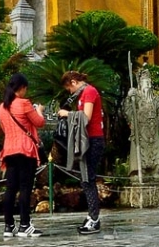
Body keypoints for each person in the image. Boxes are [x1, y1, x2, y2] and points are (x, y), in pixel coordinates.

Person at [0, 73, 45, 238]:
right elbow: (39, 122)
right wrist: (39, 110)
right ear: (22, 88)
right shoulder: (24, 103)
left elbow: (5, 129)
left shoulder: (2, 107)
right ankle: (25, 225)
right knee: (25, 188)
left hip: (9, 150)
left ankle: (8, 226)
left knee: (10, 189)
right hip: (25, 150)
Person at [57, 71, 105, 234]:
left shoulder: (89, 92)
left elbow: (86, 117)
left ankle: (94, 218)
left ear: (73, 82)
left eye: (68, 88)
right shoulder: (83, 93)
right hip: (87, 140)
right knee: (85, 179)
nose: (69, 92)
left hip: (93, 140)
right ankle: (92, 216)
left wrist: (67, 114)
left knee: (88, 179)